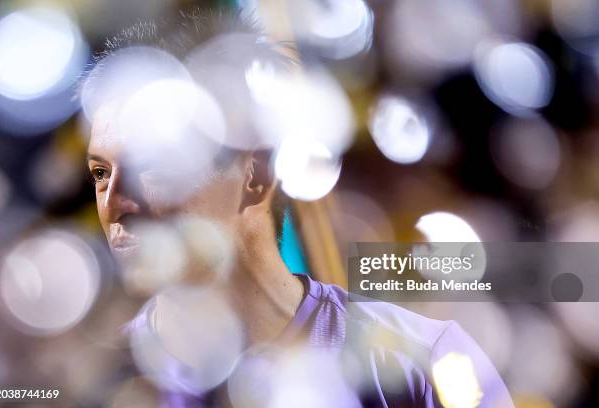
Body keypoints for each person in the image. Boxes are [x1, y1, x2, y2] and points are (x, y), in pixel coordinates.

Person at [83, 7, 514, 408]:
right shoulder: (94, 384)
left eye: (151, 165)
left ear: (256, 174)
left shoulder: (425, 363)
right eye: (101, 173)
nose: (114, 202)